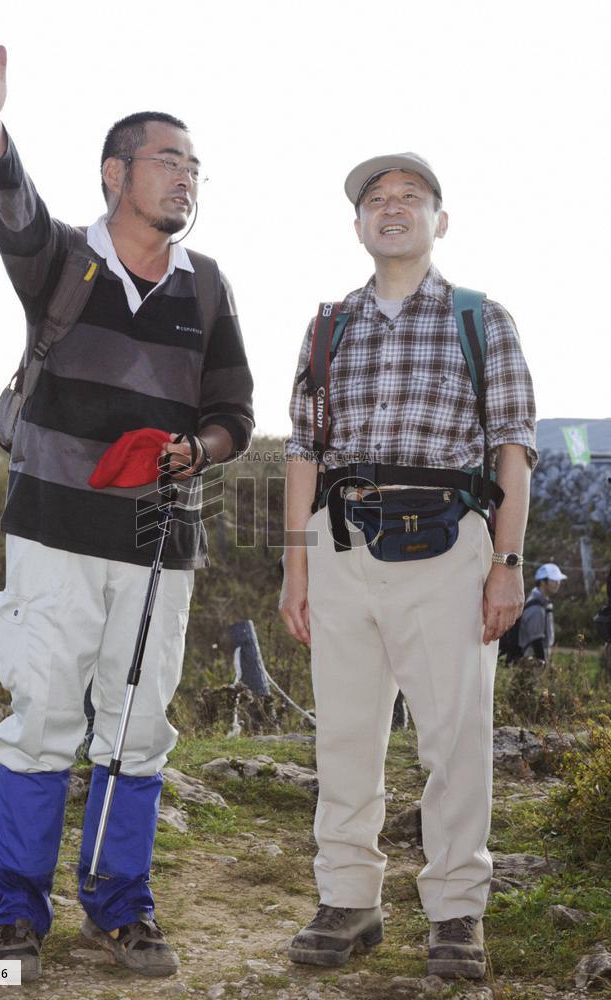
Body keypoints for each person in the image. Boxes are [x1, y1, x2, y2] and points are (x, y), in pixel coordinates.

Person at [0, 44, 253, 981]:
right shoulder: (63, 263)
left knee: (137, 727)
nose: (186, 177)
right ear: (115, 173)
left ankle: (120, 909)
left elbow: (234, 414)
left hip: (158, 539)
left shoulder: (208, 285)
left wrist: (200, 448)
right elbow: (13, 209)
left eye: (195, 166)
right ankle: (17, 916)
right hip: (52, 533)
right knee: (42, 719)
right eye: (170, 160)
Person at [280, 153, 536, 980]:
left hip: (449, 548)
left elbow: (513, 448)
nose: (391, 209)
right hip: (340, 546)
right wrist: (294, 567)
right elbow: (302, 450)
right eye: (376, 200)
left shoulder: (480, 318)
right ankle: (347, 900)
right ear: (357, 224)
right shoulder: (328, 325)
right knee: (344, 734)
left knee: (453, 740)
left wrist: (506, 563)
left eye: (410, 198)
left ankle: (456, 913)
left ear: (438, 220)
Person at [517, 563, 566, 661]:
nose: (558, 583)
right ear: (543, 582)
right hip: (532, 656)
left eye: (558, 580)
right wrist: (542, 661)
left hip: (536, 654)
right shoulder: (536, 607)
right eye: (553, 580)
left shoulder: (542, 603)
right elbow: (536, 640)